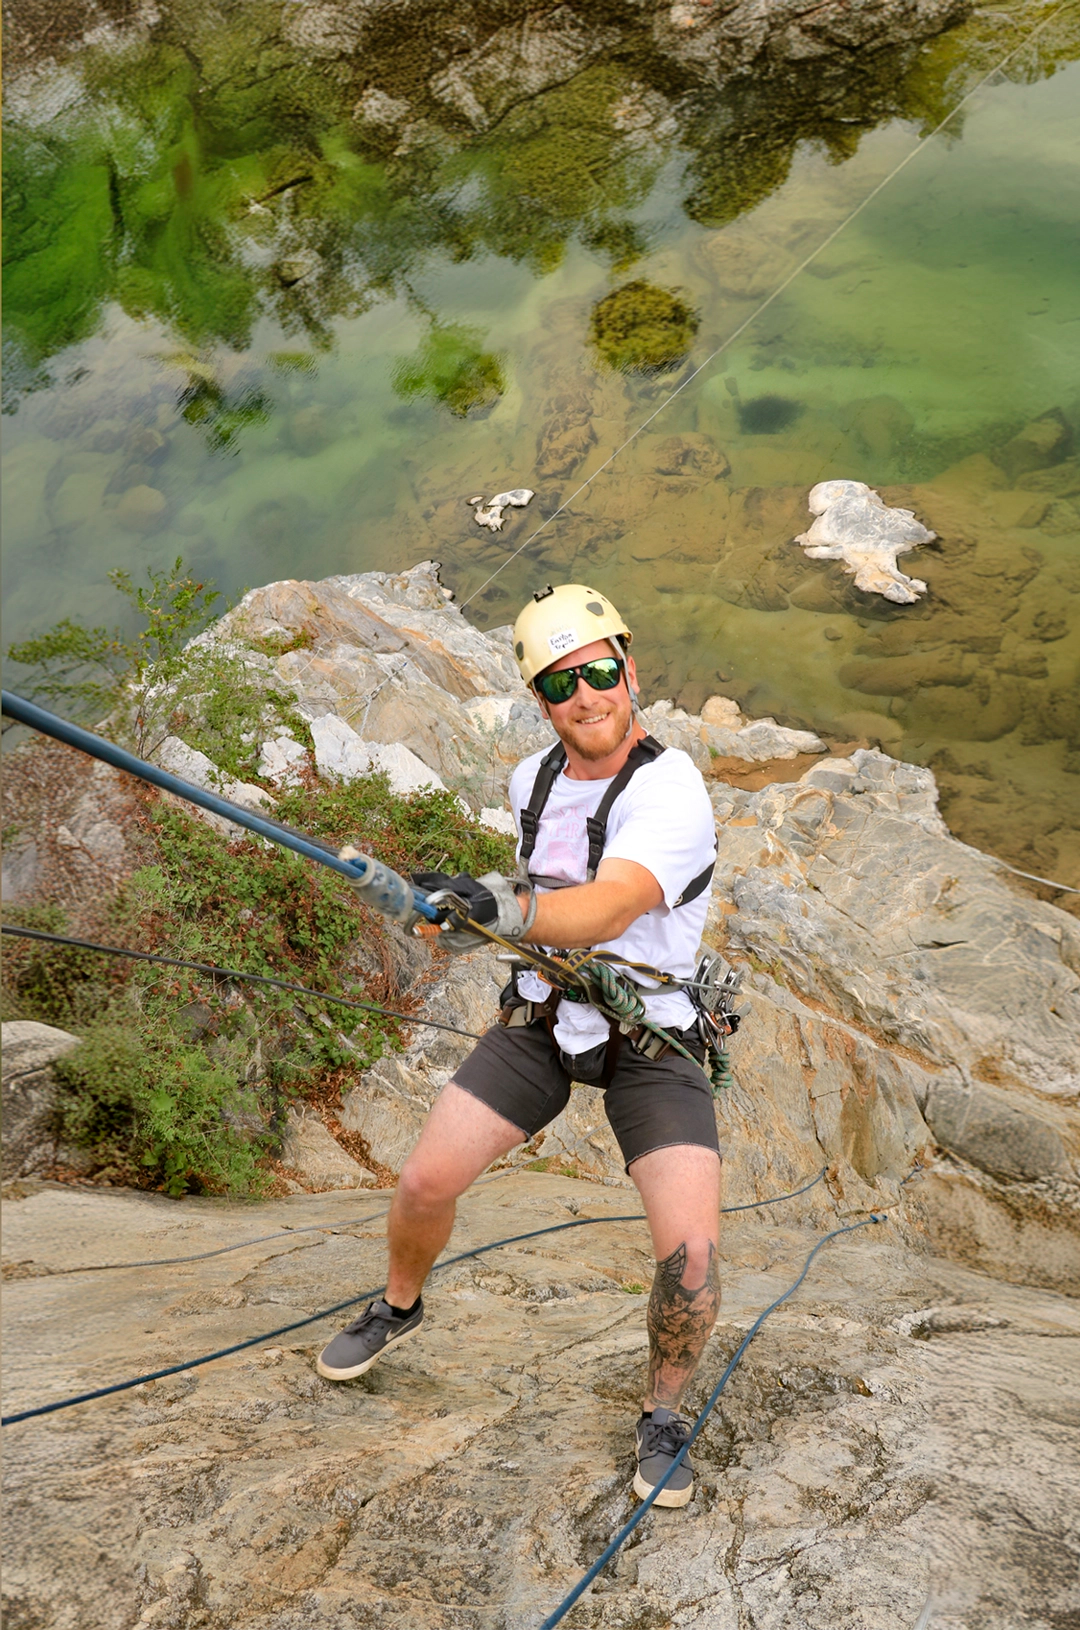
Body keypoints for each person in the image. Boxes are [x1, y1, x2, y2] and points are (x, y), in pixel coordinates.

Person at [317, 584, 721, 1509]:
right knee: (423, 1182)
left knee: (689, 1255)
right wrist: (459, 909)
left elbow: (612, 903)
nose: (588, 696)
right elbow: (546, 891)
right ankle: (399, 1306)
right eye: (562, 683)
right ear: (540, 701)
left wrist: (507, 908)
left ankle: (662, 1414)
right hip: (544, 1016)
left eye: (601, 672)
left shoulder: (673, 787)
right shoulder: (529, 781)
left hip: (652, 1037)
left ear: (630, 666)